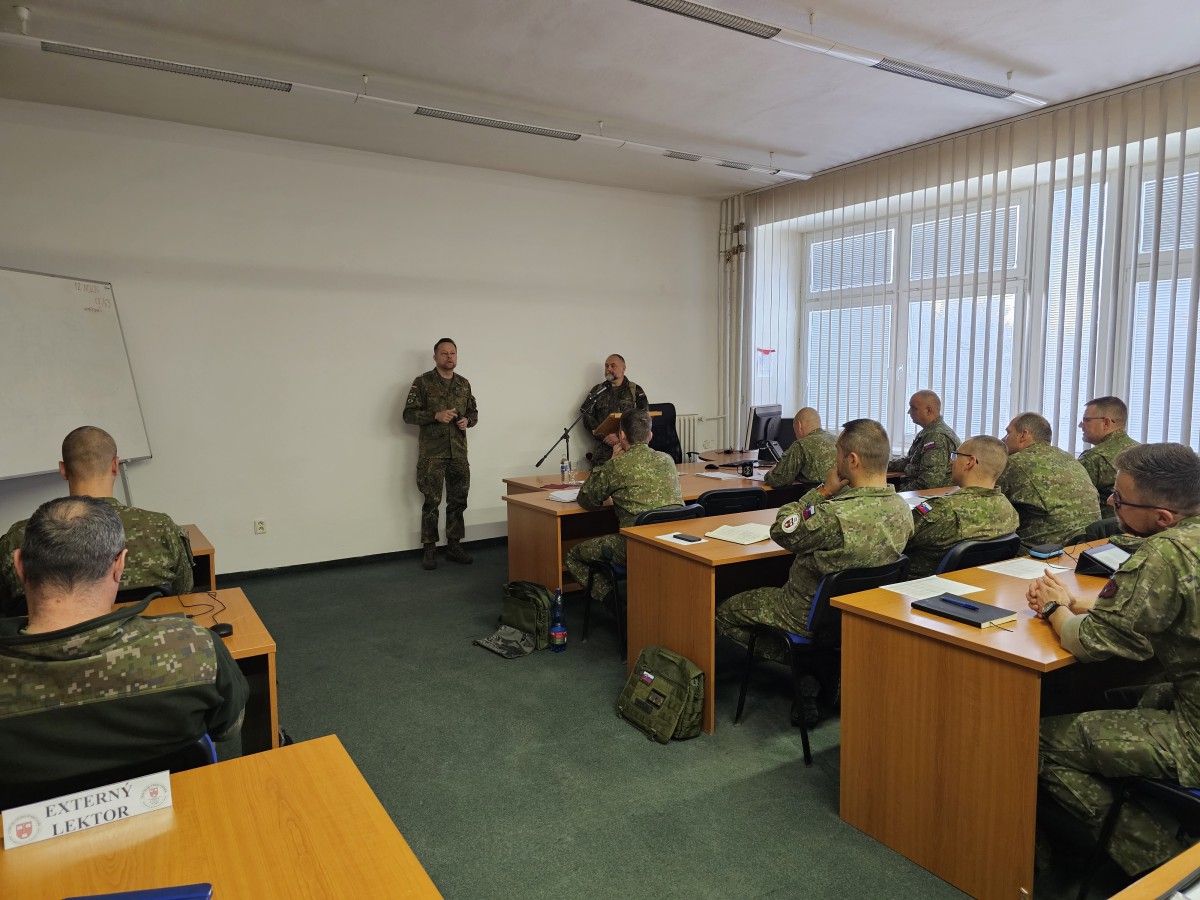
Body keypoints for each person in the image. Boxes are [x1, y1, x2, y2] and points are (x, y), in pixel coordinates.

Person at [0, 496, 247, 805]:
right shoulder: (195, 648)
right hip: (180, 818)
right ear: (120, 564)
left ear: (20, 565)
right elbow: (229, 728)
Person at [1026, 443, 1200, 878]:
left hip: (1195, 737)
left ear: (1163, 517)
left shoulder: (1166, 553)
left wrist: (1053, 607)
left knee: (1033, 743)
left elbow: (1091, 643)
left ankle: (1168, 868)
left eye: (1120, 500)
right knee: (1128, 695)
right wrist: (1076, 604)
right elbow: (1154, 612)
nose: (1110, 502)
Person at [716, 419, 914, 717]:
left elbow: (782, 529)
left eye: (838, 453)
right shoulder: (902, 509)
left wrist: (822, 491)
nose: (834, 459)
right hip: (859, 614)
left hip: (801, 613)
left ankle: (809, 666)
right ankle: (824, 664)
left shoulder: (833, 515)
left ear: (853, 460)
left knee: (724, 611)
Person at [0, 426, 193, 617]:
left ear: (63, 470)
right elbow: (184, 595)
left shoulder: (21, 536)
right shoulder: (161, 527)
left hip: (52, 636)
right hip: (150, 634)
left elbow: (5, 607)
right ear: (115, 466)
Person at [564, 409, 682, 604]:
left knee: (573, 556)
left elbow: (586, 500)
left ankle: (614, 603)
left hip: (637, 546)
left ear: (622, 436)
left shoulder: (616, 466)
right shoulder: (667, 460)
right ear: (650, 436)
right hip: (673, 542)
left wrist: (611, 461)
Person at [403, 338, 478, 570]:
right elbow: (408, 414)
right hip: (432, 453)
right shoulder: (423, 382)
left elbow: (473, 412)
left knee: (458, 501)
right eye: (444, 353)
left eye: (452, 353)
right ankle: (429, 549)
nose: (449, 357)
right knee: (432, 502)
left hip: (458, 453)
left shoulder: (464, 384)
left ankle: (454, 545)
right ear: (435, 357)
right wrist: (434, 415)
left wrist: (468, 421)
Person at [903, 436, 1020, 578]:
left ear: (970, 462)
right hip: (976, 584)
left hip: (916, 584)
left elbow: (897, 541)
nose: (951, 461)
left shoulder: (943, 510)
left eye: (956, 455)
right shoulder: (1008, 510)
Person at [997, 412, 1101, 547]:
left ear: (1023, 435)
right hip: (1088, 546)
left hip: (1042, 552)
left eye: (1008, 433)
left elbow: (989, 506)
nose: (1003, 439)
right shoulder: (1068, 459)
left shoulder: (1014, 463)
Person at [580, 354, 648, 468]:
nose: (609, 369)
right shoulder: (598, 390)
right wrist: (604, 436)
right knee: (600, 478)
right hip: (603, 453)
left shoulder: (635, 390)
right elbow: (586, 414)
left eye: (613, 366)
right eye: (606, 366)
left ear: (623, 368)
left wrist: (619, 436)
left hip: (629, 450)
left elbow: (644, 418)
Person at [888, 390, 960, 490]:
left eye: (913, 408)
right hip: (918, 491)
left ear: (928, 410)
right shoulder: (928, 432)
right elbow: (911, 461)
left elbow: (929, 482)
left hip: (928, 495)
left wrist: (899, 494)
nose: (909, 412)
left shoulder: (936, 436)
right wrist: (881, 465)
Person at [1078, 396, 1139, 506]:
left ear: (1106, 423)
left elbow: (1075, 500)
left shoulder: (1094, 458)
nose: (1080, 425)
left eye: (1086, 420)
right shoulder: (1141, 451)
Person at [763, 408, 837, 489]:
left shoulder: (801, 445)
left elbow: (779, 480)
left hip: (816, 495)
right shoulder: (837, 439)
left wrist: (769, 473)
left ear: (799, 425)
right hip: (841, 494)